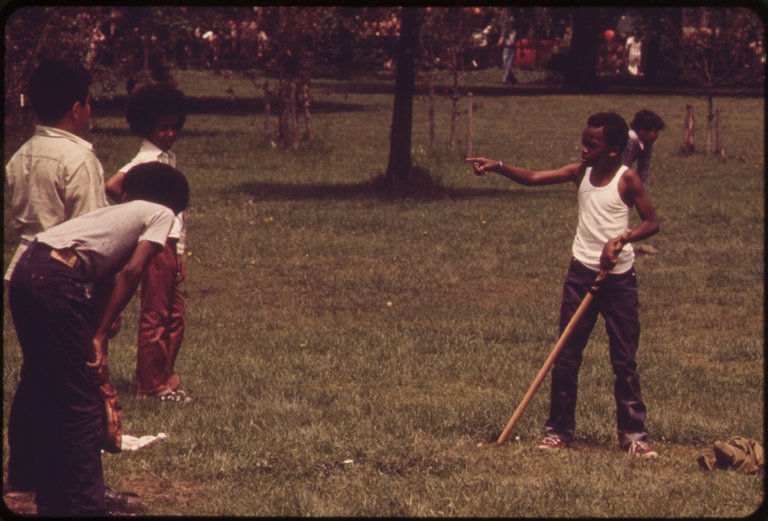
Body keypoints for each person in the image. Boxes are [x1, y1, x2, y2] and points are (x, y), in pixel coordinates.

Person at [467, 112, 660, 457]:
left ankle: (633, 436)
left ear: (614, 150)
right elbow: (534, 177)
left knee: (624, 360)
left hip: (618, 282)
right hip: (581, 275)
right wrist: (497, 165)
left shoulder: (627, 180)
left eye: (592, 144)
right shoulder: (580, 173)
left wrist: (622, 238)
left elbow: (652, 222)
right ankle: (558, 431)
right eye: (583, 142)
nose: (584, 149)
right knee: (566, 355)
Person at [7, 162, 189, 516]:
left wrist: (94, 328)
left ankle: (51, 498)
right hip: (57, 278)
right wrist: (100, 336)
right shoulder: (162, 212)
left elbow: (106, 278)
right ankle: (86, 505)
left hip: (28, 269)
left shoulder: (120, 214)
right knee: (82, 402)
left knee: (46, 385)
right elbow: (134, 270)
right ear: (173, 205)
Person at [4, 59, 109, 495]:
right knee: (79, 387)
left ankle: (25, 469)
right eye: (88, 103)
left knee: (37, 373)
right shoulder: (79, 159)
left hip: (20, 272)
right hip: (62, 278)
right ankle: (82, 488)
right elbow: (94, 233)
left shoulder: (21, 154)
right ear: (77, 108)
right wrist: (102, 309)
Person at [105, 82, 189, 400]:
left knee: (174, 313)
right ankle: (149, 385)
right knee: (155, 313)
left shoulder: (168, 159)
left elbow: (177, 211)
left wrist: (179, 250)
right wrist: (135, 213)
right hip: (153, 243)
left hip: (170, 242)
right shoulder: (143, 162)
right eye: (162, 128)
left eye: (173, 127)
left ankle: (165, 375)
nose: (169, 134)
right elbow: (113, 184)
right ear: (146, 127)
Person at [622, 109, 665, 184]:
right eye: (654, 131)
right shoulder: (631, 140)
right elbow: (624, 166)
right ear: (642, 130)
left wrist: (637, 185)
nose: (656, 136)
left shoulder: (647, 144)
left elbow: (644, 167)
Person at [498, 20, 517, 84]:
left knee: (508, 64)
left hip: (512, 48)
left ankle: (504, 80)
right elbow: (502, 38)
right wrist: (500, 43)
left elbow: (513, 40)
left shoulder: (513, 31)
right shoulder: (506, 31)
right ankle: (512, 79)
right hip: (506, 48)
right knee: (505, 64)